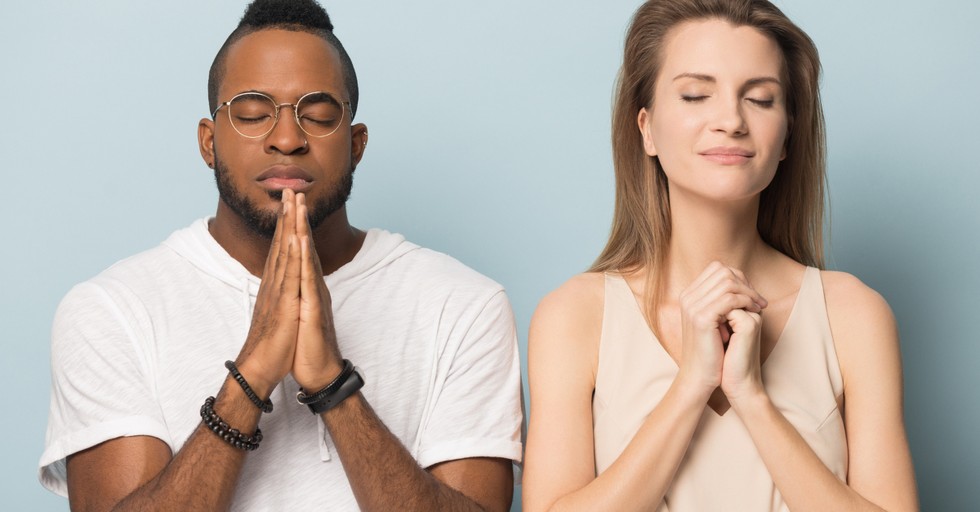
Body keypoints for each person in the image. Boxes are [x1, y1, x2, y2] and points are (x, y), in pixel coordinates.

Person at [38, 1, 522, 510]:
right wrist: (248, 380)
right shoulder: (111, 310)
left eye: (317, 115)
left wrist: (334, 387)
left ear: (356, 144)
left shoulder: (465, 305)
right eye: (251, 113)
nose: (287, 140)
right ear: (209, 142)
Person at [523, 0, 918, 510]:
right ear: (645, 128)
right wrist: (691, 384)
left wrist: (752, 398)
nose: (730, 120)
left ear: (786, 139)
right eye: (695, 95)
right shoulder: (573, 316)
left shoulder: (855, 315)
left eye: (759, 99)